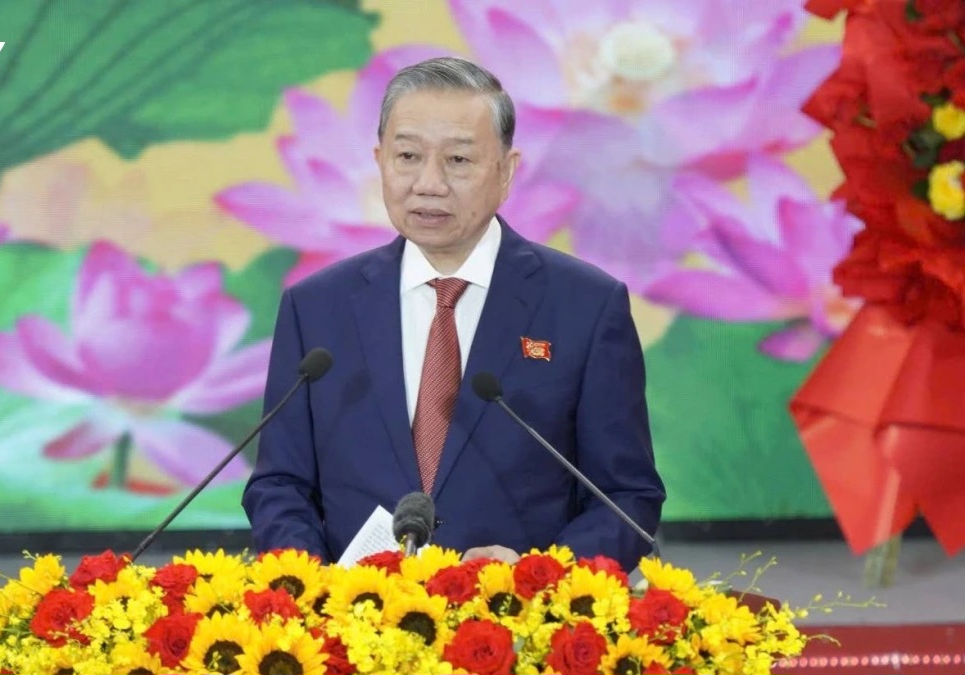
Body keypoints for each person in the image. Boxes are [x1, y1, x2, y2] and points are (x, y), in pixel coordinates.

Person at [241, 56, 665, 570]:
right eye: (407, 156)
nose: (429, 183)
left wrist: (539, 577)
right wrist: (312, 584)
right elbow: (279, 485)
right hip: (352, 611)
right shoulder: (316, 307)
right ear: (380, 161)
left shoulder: (586, 306)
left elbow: (626, 496)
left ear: (506, 172)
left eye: (458, 160)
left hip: (515, 612)